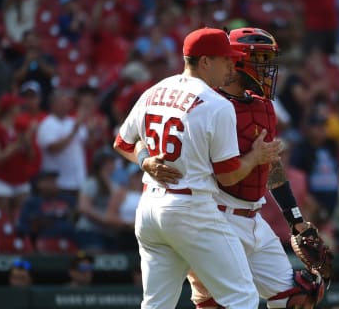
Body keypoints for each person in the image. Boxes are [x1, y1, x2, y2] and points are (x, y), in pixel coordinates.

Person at [139, 27, 327, 309]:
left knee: (299, 297)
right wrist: (145, 160)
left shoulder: (264, 107)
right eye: (261, 59)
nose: (268, 69)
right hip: (213, 215)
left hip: (254, 217)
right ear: (236, 60)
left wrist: (295, 218)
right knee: (221, 303)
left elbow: (272, 164)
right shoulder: (207, 105)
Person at [113, 27, 281, 309]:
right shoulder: (216, 104)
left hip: (150, 209)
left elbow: (123, 142)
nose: (231, 65)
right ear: (205, 61)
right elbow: (228, 174)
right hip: (191, 209)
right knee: (242, 297)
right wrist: (254, 157)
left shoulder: (155, 90)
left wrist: (145, 161)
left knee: (156, 304)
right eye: (225, 59)